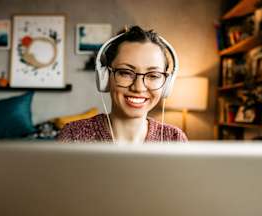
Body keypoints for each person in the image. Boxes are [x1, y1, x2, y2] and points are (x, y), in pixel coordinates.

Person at [57, 26, 187, 143]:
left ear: (166, 84)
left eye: (153, 75)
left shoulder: (175, 138)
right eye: (126, 73)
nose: (138, 88)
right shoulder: (73, 136)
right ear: (106, 77)